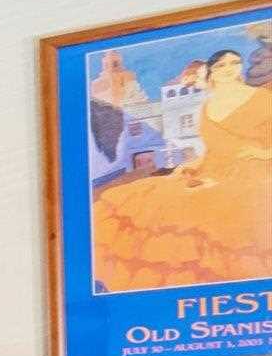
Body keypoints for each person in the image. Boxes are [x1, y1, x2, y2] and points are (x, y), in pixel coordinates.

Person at [89, 46, 272, 292]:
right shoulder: (207, 107)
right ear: (212, 73)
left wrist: (260, 153)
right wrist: (189, 165)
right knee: (151, 197)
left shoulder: (263, 98)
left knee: (213, 205)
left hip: (254, 170)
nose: (229, 69)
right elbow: (210, 150)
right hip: (212, 168)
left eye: (234, 63)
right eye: (221, 65)